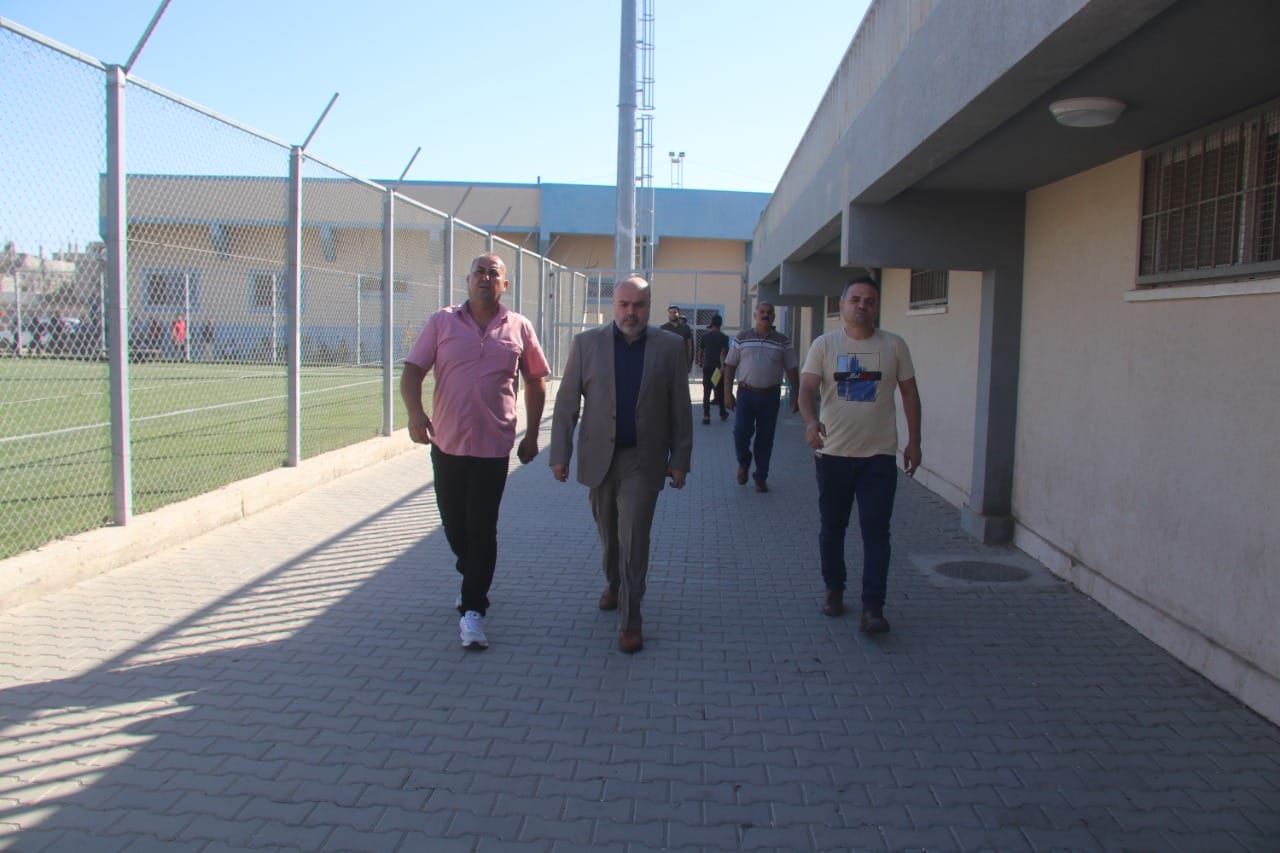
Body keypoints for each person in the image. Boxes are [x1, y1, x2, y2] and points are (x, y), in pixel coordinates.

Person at [400, 252, 549, 651]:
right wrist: (415, 413)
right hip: (446, 442)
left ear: (504, 285)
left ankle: (473, 611)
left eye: (493, 273)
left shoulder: (519, 327)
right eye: (478, 272)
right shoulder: (442, 322)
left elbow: (536, 380)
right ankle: (472, 576)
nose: (485, 278)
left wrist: (533, 434)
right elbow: (413, 370)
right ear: (467, 281)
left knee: (482, 527)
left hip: (492, 446)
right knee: (454, 525)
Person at [550, 275, 693, 654]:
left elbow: (681, 408)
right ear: (614, 306)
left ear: (649, 306)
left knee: (634, 538)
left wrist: (680, 459)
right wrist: (560, 453)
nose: (631, 312)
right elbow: (566, 404)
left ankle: (631, 618)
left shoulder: (669, 347)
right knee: (609, 535)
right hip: (600, 457)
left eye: (639, 305)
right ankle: (614, 584)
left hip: (643, 460)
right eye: (624, 305)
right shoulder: (586, 344)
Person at [798, 276, 922, 635]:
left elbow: (910, 394)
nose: (862, 306)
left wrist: (914, 441)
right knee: (832, 528)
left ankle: (873, 607)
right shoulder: (824, 345)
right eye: (855, 299)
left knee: (876, 532)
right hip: (833, 455)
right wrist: (810, 422)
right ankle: (834, 589)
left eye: (869, 300)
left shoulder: (894, 346)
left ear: (877, 307)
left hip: (878, 457)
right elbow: (806, 388)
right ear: (842, 305)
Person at [723, 301, 800, 493]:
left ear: (774, 317)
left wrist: (796, 396)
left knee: (765, 438)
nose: (766, 315)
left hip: (770, 396)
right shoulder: (742, 337)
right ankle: (744, 462)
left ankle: (761, 477)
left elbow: (792, 369)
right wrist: (727, 393)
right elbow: (730, 365)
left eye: (770, 313)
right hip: (746, 394)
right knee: (740, 432)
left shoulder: (782, 341)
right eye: (762, 312)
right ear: (755, 315)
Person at [698, 314, 730, 425]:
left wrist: (700, 362)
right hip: (717, 369)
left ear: (712, 323)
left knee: (706, 392)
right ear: (720, 324)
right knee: (719, 391)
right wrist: (723, 367)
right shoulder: (724, 337)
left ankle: (706, 416)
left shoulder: (705, 336)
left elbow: (701, 351)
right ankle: (722, 413)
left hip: (707, 367)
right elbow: (724, 352)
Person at [660, 304, 694, 372]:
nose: (672, 314)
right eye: (670, 312)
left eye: (675, 312)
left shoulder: (685, 328)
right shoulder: (663, 328)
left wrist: (689, 363)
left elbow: (690, 346)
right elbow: (660, 347)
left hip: (682, 363)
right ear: (668, 314)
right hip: (667, 364)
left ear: (679, 313)